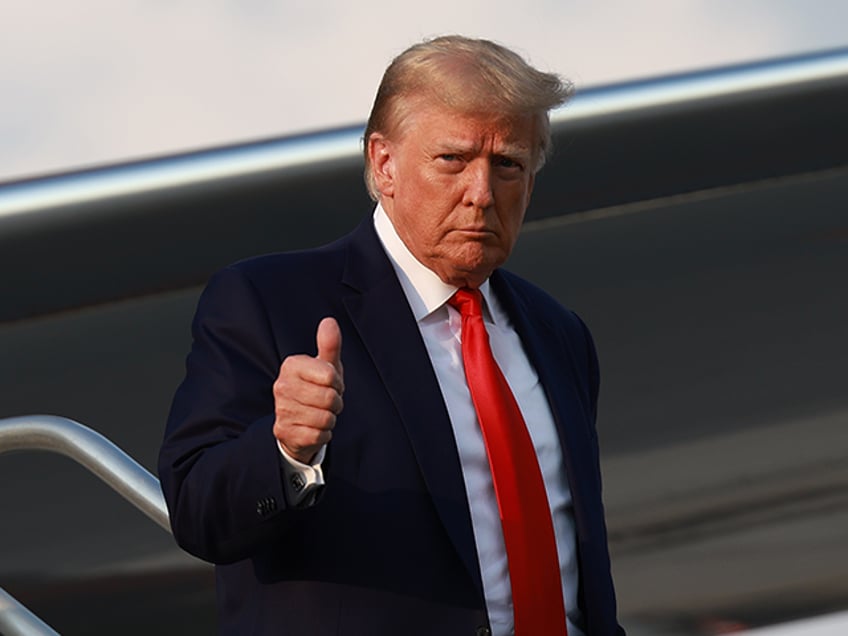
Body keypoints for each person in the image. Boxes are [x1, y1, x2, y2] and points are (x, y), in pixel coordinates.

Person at [159, 35, 625, 636]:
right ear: (384, 164)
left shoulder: (560, 334)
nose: (481, 193)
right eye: (452, 160)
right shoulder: (269, 301)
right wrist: (284, 452)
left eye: (508, 164)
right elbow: (199, 514)